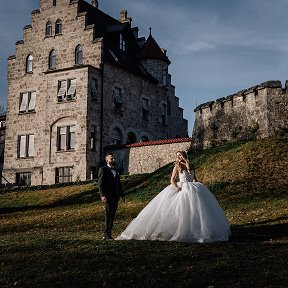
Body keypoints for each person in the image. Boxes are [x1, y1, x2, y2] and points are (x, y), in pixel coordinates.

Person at [116, 151, 231, 242]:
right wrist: (176, 188)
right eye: (177, 156)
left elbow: (194, 178)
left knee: (196, 210)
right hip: (182, 187)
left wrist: (196, 180)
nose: (179, 157)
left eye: (180, 155)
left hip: (193, 187)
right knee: (180, 210)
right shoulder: (177, 167)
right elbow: (172, 180)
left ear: (184, 155)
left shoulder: (190, 165)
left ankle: (195, 230)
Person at [98, 152, 125, 240]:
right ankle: (106, 235)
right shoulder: (103, 169)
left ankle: (108, 234)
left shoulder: (116, 170)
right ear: (107, 160)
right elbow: (101, 184)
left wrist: (122, 194)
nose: (113, 160)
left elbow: (118, 184)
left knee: (112, 215)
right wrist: (103, 195)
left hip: (115, 196)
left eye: (113, 158)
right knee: (108, 215)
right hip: (108, 196)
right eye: (111, 159)